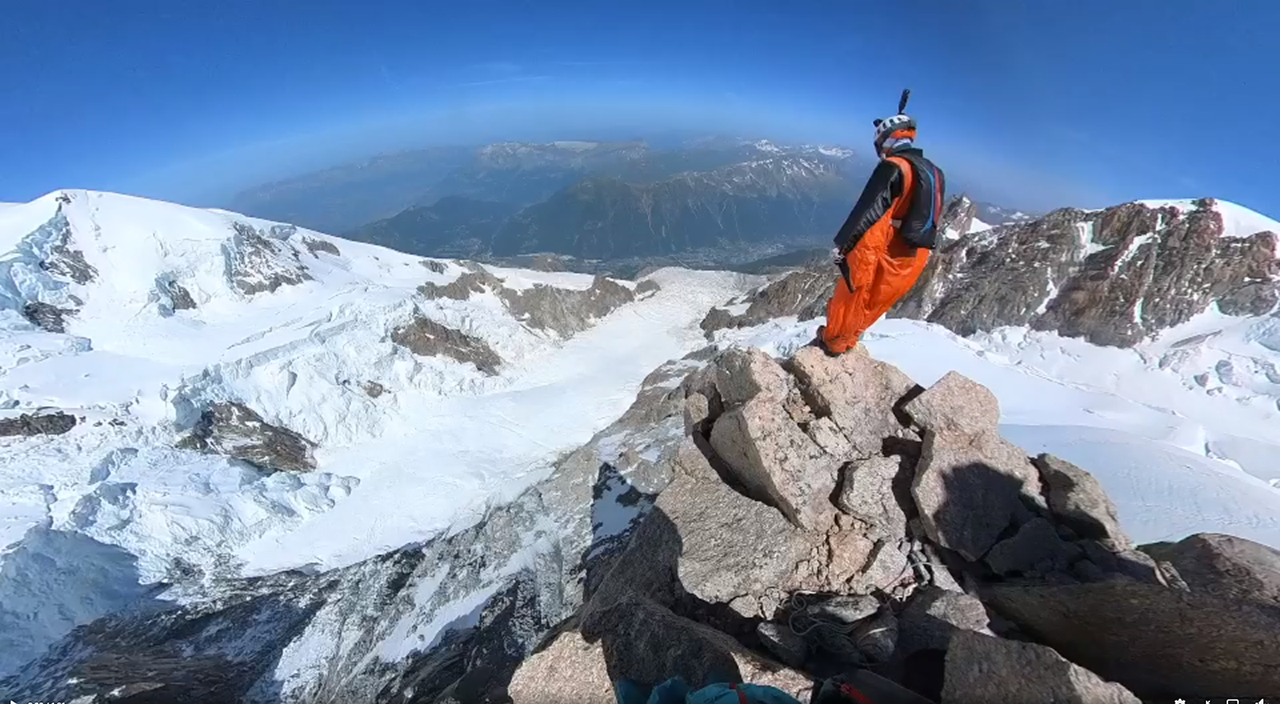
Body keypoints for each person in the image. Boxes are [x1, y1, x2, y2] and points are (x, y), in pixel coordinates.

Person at [818, 106, 945, 356]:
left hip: (888, 244)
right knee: (876, 300)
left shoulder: (894, 167)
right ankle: (849, 339)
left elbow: (868, 212)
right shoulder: (934, 171)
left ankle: (833, 341)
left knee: (854, 290)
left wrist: (844, 246)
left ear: (885, 141)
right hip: (913, 252)